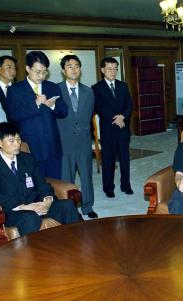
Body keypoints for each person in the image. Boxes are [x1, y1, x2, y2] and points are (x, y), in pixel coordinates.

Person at [0, 122, 79, 236]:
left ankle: (77, 244)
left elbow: (42, 183)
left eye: (18, 139)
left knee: (67, 205)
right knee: (30, 218)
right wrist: (24, 207)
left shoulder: (28, 159)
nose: (17, 144)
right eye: (11, 141)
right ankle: (34, 254)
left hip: (38, 204)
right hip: (14, 211)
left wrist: (47, 200)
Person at [7, 51, 67, 179]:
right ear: (28, 68)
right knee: (34, 184)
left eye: (44, 72)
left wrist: (53, 106)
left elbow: (63, 111)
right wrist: (35, 104)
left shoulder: (52, 87)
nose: (41, 76)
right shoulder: (15, 90)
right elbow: (14, 115)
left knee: (55, 183)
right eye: (38, 71)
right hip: (30, 146)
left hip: (53, 146)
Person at [57, 55, 97, 219]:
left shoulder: (89, 91)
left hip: (83, 141)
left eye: (76, 66)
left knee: (86, 175)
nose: (74, 69)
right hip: (64, 140)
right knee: (66, 177)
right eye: (69, 66)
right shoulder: (56, 90)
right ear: (63, 70)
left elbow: (88, 115)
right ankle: (69, 209)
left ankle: (88, 207)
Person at [91, 57, 133, 198]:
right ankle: (108, 188)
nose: (113, 71)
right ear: (102, 70)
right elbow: (99, 107)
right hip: (108, 129)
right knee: (108, 160)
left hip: (123, 128)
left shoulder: (123, 86)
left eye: (115, 68)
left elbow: (129, 105)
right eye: (109, 69)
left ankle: (126, 185)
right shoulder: (96, 88)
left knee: (125, 159)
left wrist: (123, 117)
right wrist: (116, 118)